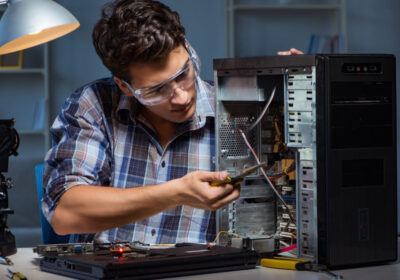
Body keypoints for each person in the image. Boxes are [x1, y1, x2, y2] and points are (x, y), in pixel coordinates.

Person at [42, 0, 302, 244]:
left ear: (188, 49)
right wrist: (175, 193)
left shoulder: (242, 111)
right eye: (156, 90)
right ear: (125, 86)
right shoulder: (94, 105)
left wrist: (298, 99)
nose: (180, 97)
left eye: (183, 74)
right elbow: (66, 215)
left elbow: (295, 192)